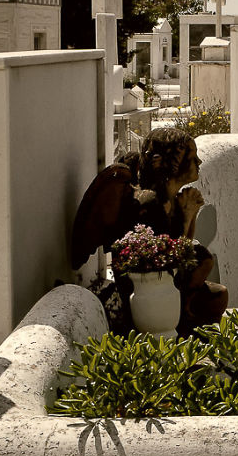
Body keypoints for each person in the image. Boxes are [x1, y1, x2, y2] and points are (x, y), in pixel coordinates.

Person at [72, 128, 228, 336]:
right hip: (149, 291)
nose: (198, 162)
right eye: (191, 157)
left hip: (169, 282)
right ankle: (185, 326)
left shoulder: (172, 200)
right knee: (204, 267)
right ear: (165, 163)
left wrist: (189, 214)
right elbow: (168, 260)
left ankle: (190, 325)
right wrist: (188, 216)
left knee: (218, 295)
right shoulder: (149, 202)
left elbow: (183, 248)